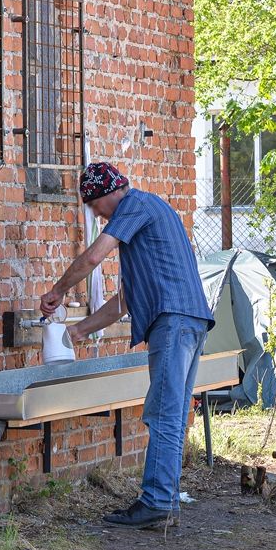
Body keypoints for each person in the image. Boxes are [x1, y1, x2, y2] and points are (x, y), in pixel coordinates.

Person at [40, 162, 214, 529]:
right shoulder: (152, 215)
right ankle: (164, 500)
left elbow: (91, 257)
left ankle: (157, 503)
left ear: (109, 194)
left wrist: (57, 291)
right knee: (173, 413)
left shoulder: (135, 205)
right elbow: (126, 300)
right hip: (189, 320)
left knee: (163, 414)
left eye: (93, 204)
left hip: (174, 321)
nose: (94, 214)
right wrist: (79, 330)